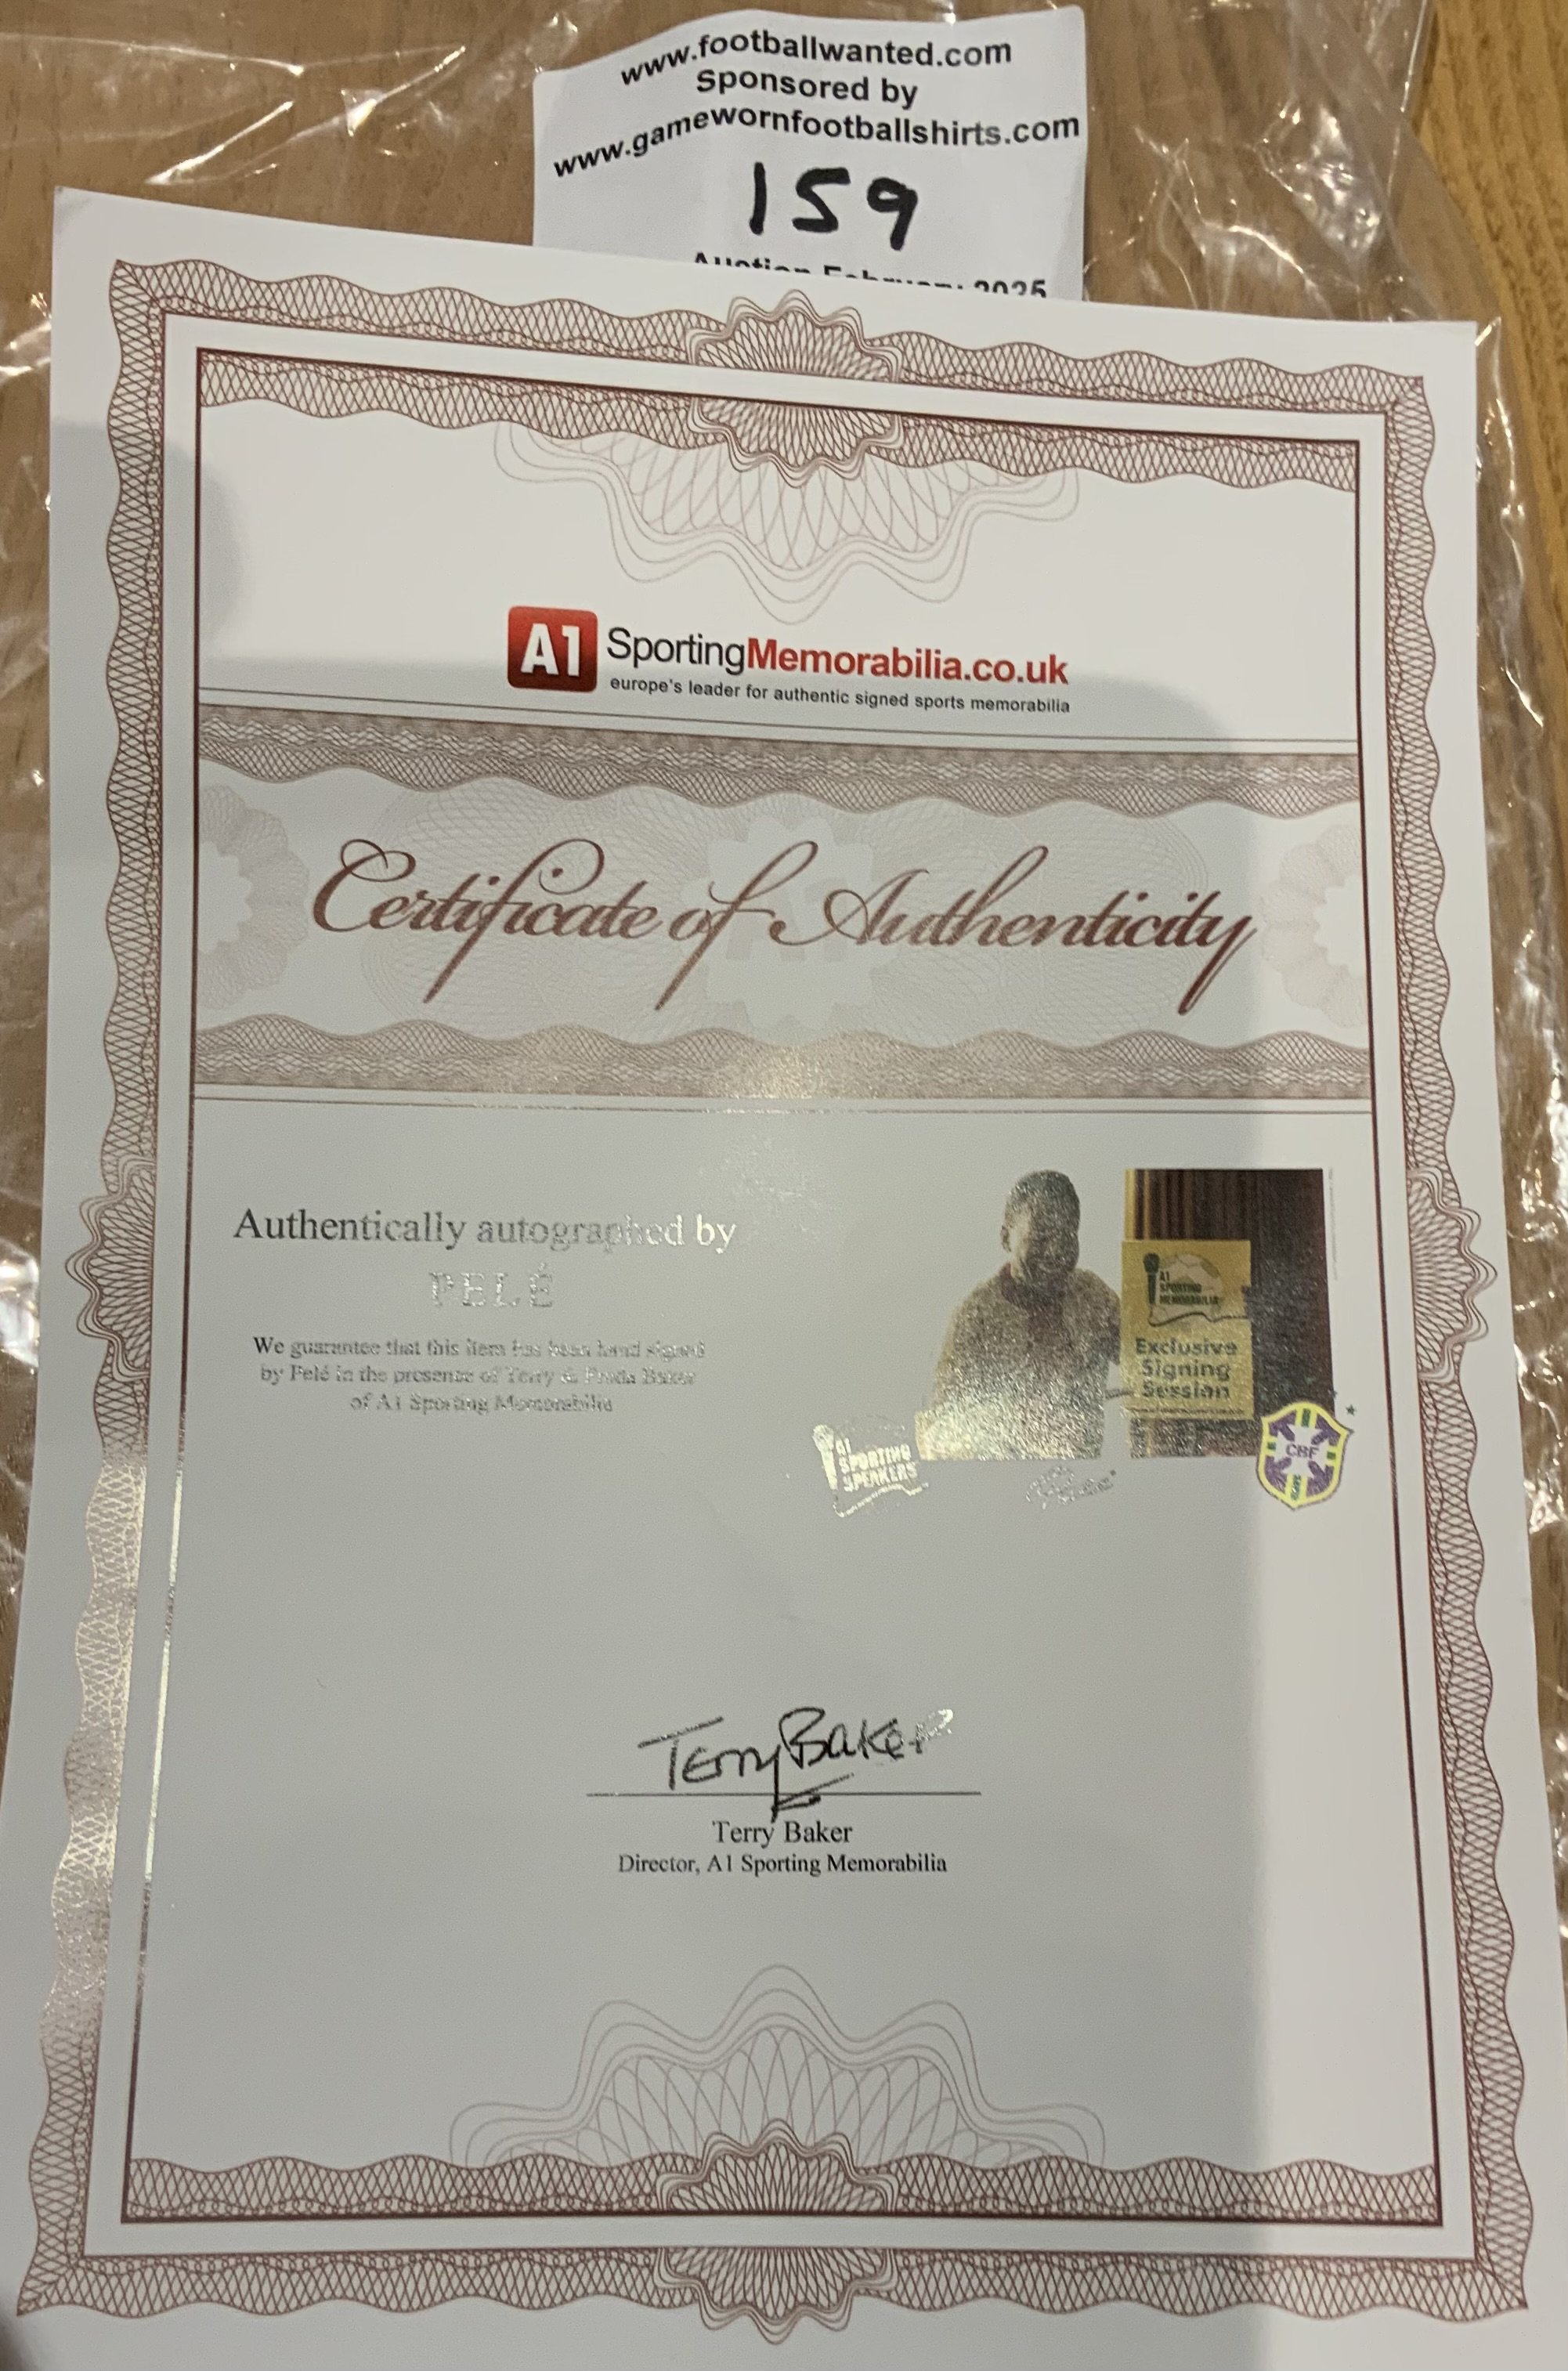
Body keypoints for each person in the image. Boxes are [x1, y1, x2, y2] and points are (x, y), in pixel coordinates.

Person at [922, 1171, 1120, 1459]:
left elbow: (1146, 1357)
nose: (1056, 1251)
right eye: (1041, 1237)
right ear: (1006, 1239)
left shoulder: (1093, 1295)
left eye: (1068, 1237)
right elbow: (940, 1430)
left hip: (1084, 1471)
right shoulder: (976, 1316)